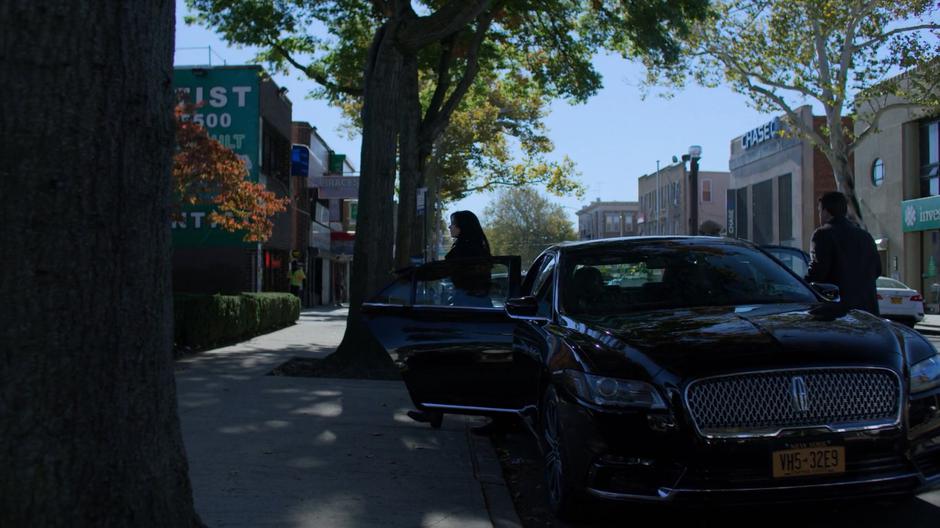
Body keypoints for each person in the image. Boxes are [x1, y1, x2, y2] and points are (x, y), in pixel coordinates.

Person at [407, 211, 512, 435]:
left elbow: (444, 270)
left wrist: (414, 275)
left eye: (452, 224)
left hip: (468, 312)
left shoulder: (467, 250)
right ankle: (436, 410)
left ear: (462, 226)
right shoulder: (474, 246)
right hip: (472, 309)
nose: (449, 228)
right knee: (455, 363)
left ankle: (496, 418)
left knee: (458, 363)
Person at [805, 191, 881, 315]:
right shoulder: (865, 236)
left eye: (819, 211)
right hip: (868, 312)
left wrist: (798, 287)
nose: (819, 215)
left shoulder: (822, 234)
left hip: (838, 314)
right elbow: (877, 270)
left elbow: (817, 273)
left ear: (826, 211)